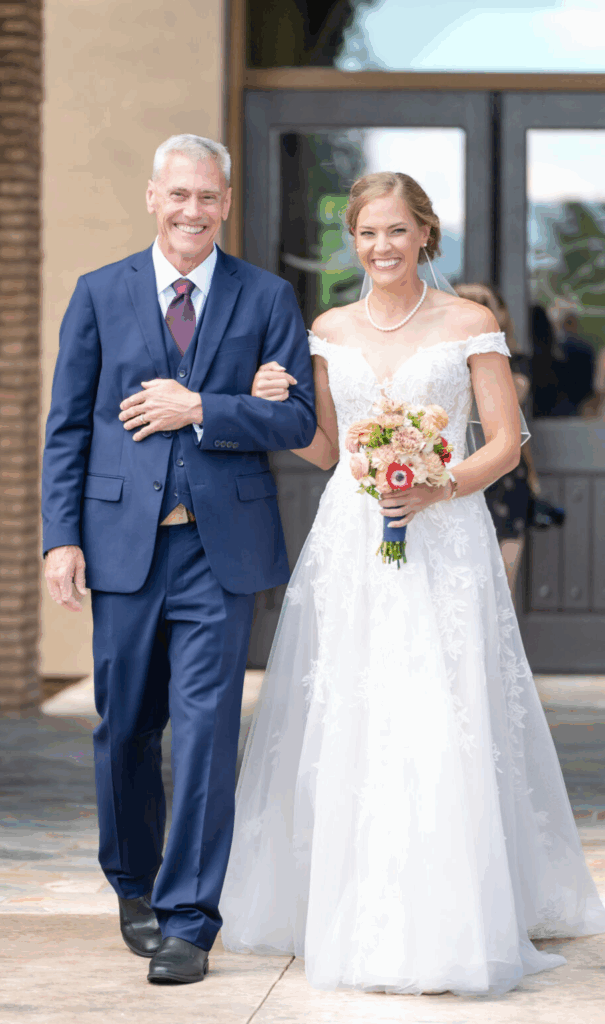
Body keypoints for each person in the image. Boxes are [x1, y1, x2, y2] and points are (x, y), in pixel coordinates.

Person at [221, 171, 605, 996]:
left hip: (447, 537)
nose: (381, 247)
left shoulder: (469, 323)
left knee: (440, 705)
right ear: (351, 241)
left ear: (424, 235)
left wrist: (437, 487)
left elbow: (502, 441)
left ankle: (451, 918)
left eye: (396, 231)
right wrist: (277, 401)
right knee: (353, 707)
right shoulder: (325, 328)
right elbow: (325, 451)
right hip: (353, 539)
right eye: (366, 233)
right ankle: (349, 908)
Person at [41, 134, 316, 985]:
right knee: (126, 725)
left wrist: (203, 406)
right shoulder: (98, 294)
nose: (192, 210)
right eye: (179, 195)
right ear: (152, 197)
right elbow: (68, 426)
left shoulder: (267, 297)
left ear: (226, 203)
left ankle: (190, 918)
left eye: (208, 196)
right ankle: (134, 884)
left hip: (218, 549)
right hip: (122, 543)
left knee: (203, 731)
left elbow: (298, 421)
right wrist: (61, 536)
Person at [454, 283, 540, 597]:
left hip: (505, 477)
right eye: (466, 302)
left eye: (485, 303)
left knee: (504, 577)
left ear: (500, 312)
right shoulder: (438, 362)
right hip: (458, 471)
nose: (476, 309)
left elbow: (516, 391)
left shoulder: (515, 360)